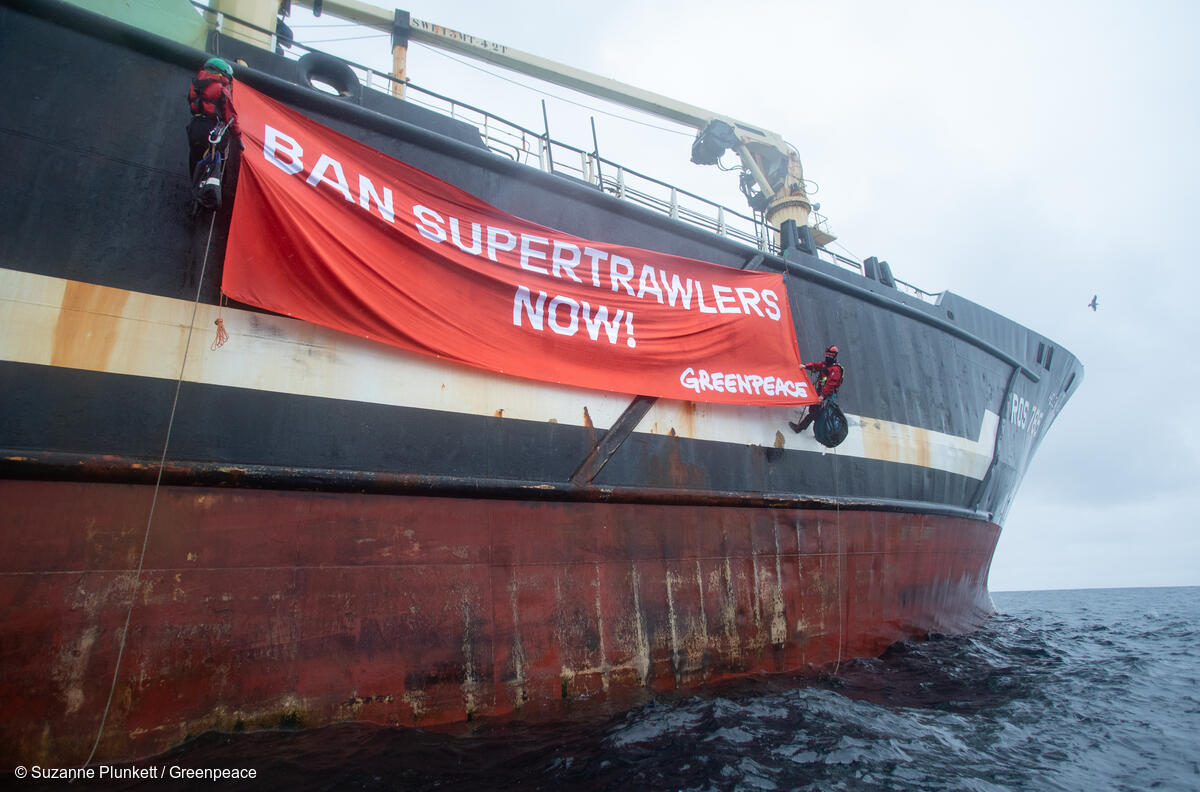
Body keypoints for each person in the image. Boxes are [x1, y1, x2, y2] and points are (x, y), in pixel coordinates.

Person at [187, 57, 241, 179]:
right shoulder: (221, 89)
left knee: (195, 159)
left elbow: (191, 103)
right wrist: (238, 138)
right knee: (215, 164)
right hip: (211, 130)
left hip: (194, 127)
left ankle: (195, 183)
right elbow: (231, 117)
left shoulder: (194, 86)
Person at [789, 345, 844, 434]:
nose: (828, 357)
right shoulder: (826, 364)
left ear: (835, 356)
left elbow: (830, 385)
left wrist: (822, 396)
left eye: (831, 355)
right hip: (821, 391)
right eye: (828, 354)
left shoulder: (835, 369)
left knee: (814, 412)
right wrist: (805, 366)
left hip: (826, 395)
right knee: (815, 411)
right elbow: (816, 365)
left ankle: (800, 428)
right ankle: (819, 430)